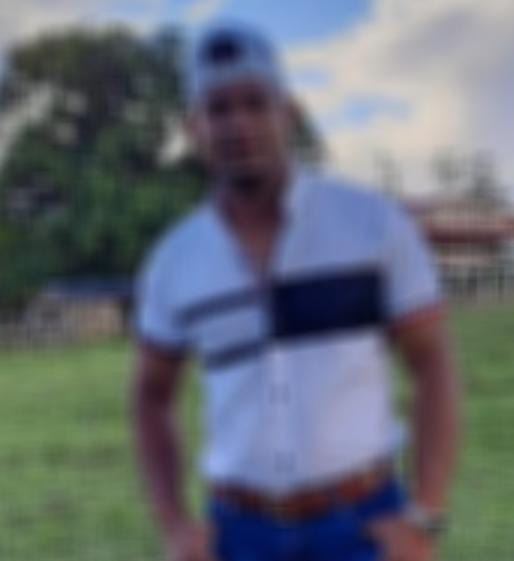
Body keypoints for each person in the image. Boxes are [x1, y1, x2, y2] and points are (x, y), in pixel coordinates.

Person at [131, 21, 460, 561]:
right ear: (193, 128)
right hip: (238, 533)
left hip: (362, 526)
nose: (238, 123)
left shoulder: (373, 226)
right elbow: (150, 396)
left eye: (256, 103)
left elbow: (433, 363)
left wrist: (424, 512)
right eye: (218, 109)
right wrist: (174, 526)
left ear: (290, 113)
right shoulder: (175, 261)